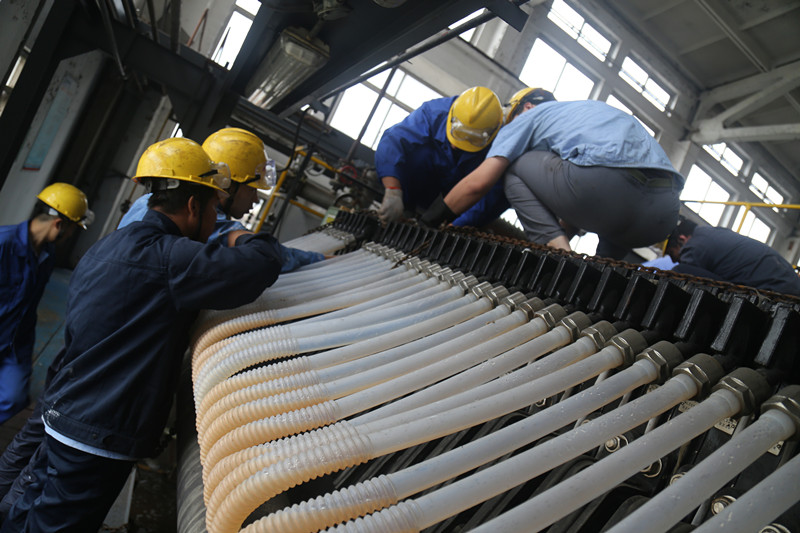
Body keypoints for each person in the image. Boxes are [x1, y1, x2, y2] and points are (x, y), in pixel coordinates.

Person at [0, 137, 286, 532]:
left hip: (63, 412)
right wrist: (238, 235)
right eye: (213, 209)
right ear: (193, 206)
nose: (215, 219)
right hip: (99, 435)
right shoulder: (171, 259)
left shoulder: (107, 245)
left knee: (22, 513)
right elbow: (262, 263)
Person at [421, 88, 684, 259]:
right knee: (603, 256)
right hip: (659, 218)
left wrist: (431, 220)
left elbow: (479, 184)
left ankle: (561, 259)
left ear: (525, 107)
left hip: (604, 190)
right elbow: (574, 205)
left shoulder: (528, 117)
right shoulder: (585, 115)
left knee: (512, 168)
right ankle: (595, 276)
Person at [119, 127, 324, 271]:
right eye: (252, 190)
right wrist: (321, 260)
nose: (255, 200)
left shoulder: (146, 202)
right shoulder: (200, 219)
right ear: (228, 185)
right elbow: (268, 255)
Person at [0, 183, 93, 425]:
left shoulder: (47, 255)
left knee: (12, 397)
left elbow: (28, 306)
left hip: (14, 344)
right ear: (59, 224)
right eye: (72, 229)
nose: (70, 236)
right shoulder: (3, 243)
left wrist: (23, 350)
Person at [376, 86, 509, 228]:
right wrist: (393, 190)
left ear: (491, 134)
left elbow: (490, 198)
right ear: (451, 117)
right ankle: (405, 206)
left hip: (459, 196)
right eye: (457, 134)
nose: (455, 146)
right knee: (419, 153)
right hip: (421, 182)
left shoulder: (503, 142)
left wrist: (454, 226)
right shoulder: (434, 112)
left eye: (470, 141)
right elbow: (393, 141)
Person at [665, 218, 800, 296]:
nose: (675, 260)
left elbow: (686, 272)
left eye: (672, 253)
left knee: (680, 271)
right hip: (788, 285)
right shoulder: (712, 232)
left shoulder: (694, 245)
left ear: (681, 239)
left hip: (774, 290)